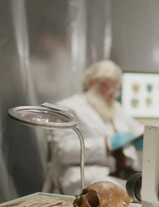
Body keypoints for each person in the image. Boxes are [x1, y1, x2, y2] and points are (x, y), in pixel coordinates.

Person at [47, 60, 144, 195]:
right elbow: (64, 151)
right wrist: (105, 144)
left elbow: (137, 129)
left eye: (116, 89)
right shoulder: (67, 108)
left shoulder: (115, 107)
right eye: (107, 87)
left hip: (118, 174)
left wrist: (145, 137)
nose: (112, 94)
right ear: (91, 82)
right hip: (84, 176)